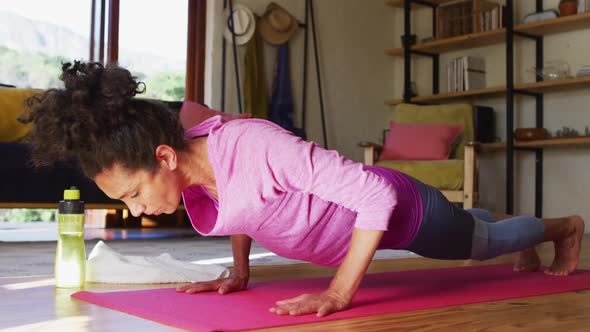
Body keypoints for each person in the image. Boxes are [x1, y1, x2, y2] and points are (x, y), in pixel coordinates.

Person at [21, 61, 585, 318]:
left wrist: (338, 294)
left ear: (163, 157)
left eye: (133, 193)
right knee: (477, 227)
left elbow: (375, 199)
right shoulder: (196, 164)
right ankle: (496, 224)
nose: (136, 209)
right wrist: (240, 271)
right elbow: (239, 203)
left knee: (479, 244)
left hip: (402, 211)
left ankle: (563, 226)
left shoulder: (257, 145)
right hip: (373, 221)